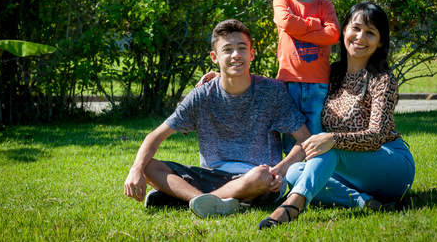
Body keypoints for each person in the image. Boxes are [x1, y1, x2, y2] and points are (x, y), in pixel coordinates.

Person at [124, 19, 312, 219]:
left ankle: (191, 199)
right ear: (214, 57)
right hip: (210, 177)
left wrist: (280, 170)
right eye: (227, 50)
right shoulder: (201, 96)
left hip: (257, 179)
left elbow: (304, 139)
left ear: (252, 54)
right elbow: (155, 136)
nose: (236, 55)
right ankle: (211, 201)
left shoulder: (272, 91)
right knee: (149, 166)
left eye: (241, 48)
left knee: (261, 176)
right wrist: (135, 169)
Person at [258, 1, 416, 229]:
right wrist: (228, 79)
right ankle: (365, 203)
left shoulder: (382, 79)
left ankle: (291, 207)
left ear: (380, 41)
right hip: (350, 170)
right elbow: (289, 83)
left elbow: (377, 135)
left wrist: (333, 139)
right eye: (356, 28)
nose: (360, 37)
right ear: (344, 31)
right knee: (295, 172)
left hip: (390, 165)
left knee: (329, 147)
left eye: (370, 33)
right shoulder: (330, 74)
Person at [268, 0, 340, 155]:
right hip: (288, 82)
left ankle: (319, 179)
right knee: (291, 136)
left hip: (318, 83)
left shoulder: (324, 5)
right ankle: (292, 179)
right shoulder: (283, 0)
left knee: (316, 135)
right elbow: (286, 22)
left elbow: (333, 35)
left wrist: (302, 28)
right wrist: (315, 25)